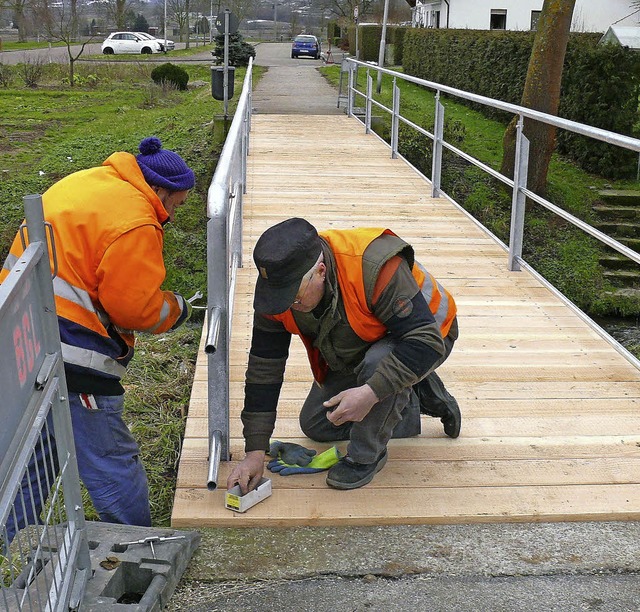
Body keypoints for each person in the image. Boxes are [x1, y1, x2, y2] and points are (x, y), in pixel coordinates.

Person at [1, 136, 195, 535]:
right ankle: (138, 544)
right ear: (159, 188)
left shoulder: (87, 181)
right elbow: (135, 308)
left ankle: (14, 541)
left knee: (40, 449)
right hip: (74, 351)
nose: (173, 214)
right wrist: (177, 309)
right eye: (176, 203)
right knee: (108, 456)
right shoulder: (136, 220)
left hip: (21, 335)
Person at [227, 217, 460, 493]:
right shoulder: (278, 288)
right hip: (367, 337)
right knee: (316, 424)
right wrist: (255, 451)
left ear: (321, 271)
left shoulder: (374, 266)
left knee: (378, 365)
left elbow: (425, 340)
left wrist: (371, 393)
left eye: (296, 297)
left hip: (428, 336)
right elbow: (264, 370)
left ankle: (366, 456)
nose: (289, 306)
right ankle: (417, 389)